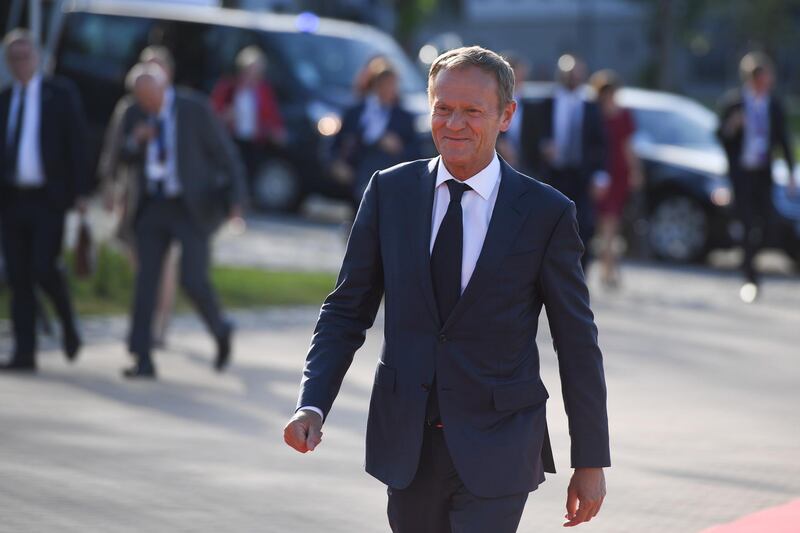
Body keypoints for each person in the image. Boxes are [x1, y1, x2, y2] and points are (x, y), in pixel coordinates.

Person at [284, 46, 609, 532]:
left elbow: (576, 342)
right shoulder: (389, 192)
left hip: (500, 445)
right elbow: (346, 310)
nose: (454, 123)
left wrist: (590, 459)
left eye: (472, 111)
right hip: (408, 444)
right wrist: (312, 402)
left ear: (506, 116)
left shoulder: (546, 213)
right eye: (443, 108)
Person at [117, 62, 246, 378]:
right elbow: (121, 154)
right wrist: (137, 141)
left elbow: (224, 154)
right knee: (146, 280)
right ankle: (142, 357)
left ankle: (220, 330)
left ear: (163, 89)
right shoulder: (135, 112)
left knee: (193, 278)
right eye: (141, 99)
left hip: (190, 207)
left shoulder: (193, 109)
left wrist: (236, 201)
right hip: (152, 205)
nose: (146, 104)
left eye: (150, 97)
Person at [0, 29, 89, 372]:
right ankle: (25, 353)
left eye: (26, 56)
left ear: (37, 57)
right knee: (18, 277)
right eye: (14, 58)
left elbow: (78, 146)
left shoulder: (60, 94)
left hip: (48, 199)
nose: (21, 63)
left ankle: (68, 324)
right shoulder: (5, 99)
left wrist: (81, 193)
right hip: (11, 199)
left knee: (43, 267)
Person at [99, 45, 180, 348]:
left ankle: (160, 327)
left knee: (166, 264)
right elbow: (113, 150)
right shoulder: (130, 109)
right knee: (141, 265)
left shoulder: (178, 107)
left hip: (170, 201)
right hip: (135, 197)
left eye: (156, 69)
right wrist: (109, 186)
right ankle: (143, 323)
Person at [717, 52, 797, 303]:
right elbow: (720, 135)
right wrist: (733, 126)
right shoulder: (735, 103)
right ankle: (749, 275)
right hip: (742, 174)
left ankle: (751, 263)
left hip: (763, 172)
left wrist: (791, 172)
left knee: (765, 221)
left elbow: (784, 139)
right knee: (746, 221)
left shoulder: (773, 104)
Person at [527, 54, 607, 271]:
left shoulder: (590, 105)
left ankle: (581, 270)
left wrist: (600, 174)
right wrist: (543, 146)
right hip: (554, 173)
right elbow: (534, 136)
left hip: (582, 175)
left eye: (577, 73)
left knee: (584, 224)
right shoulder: (547, 103)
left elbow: (599, 142)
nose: (573, 78)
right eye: (569, 74)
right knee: (550, 221)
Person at [330, 57, 421, 210]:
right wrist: (337, 164)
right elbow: (336, 144)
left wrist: (398, 147)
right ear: (376, 85)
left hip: (391, 181)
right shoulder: (357, 113)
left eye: (393, 84)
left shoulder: (404, 118)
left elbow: (417, 154)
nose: (390, 90)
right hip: (359, 179)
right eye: (385, 84)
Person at [589, 69, 643, 289]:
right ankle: (607, 268)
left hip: (618, 172)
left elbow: (628, 146)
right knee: (603, 225)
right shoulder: (594, 115)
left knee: (611, 224)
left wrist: (635, 170)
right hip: (601, 172)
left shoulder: (623, 115)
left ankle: (608, 268)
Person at [211, 46, 286, 182]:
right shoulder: (229, 87)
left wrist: (275, 131)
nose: (253, 75)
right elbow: (213, 114)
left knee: (251, 176)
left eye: (257, 71)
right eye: (250, 70)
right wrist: (225, 116)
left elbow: (272, 115)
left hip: (255, 142)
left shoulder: (264, 91)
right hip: (231, 140)